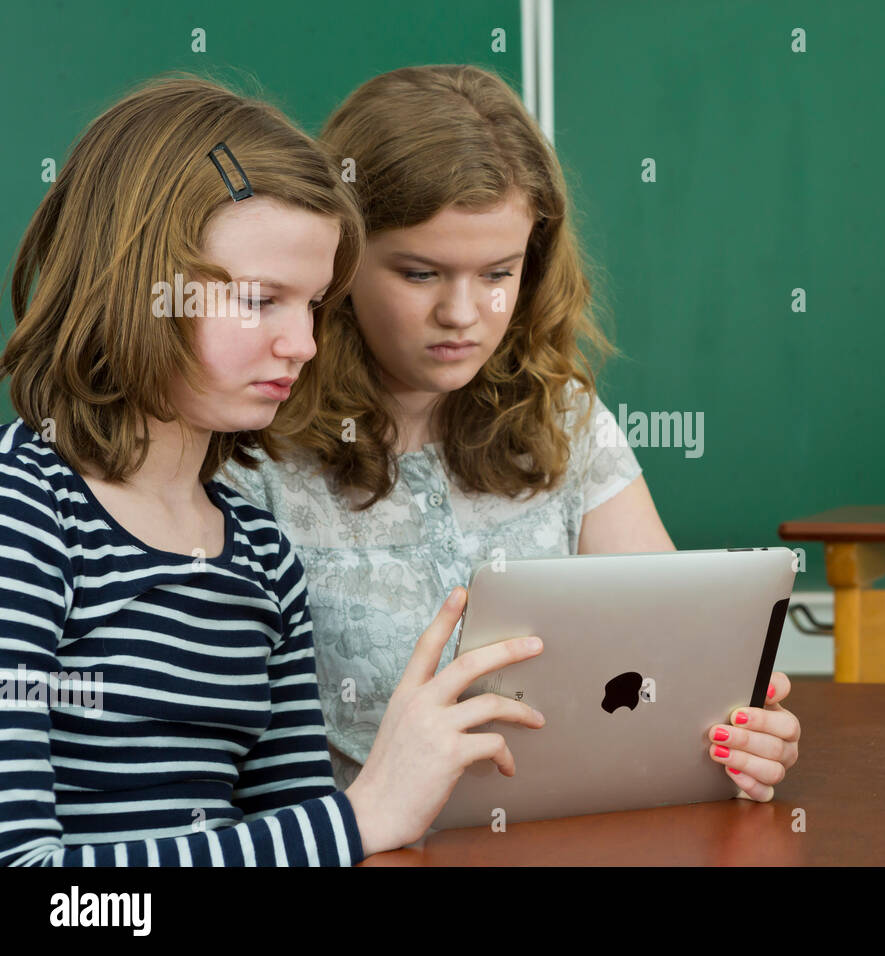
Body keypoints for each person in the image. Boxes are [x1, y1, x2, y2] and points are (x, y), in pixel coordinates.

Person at [220, 65, 801, 813]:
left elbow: (677, 659)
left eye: (498, 271)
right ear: (338, 259)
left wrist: (742, 733)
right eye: (421, 272)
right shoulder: (257, 444)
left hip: (566, 834)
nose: (463, 313)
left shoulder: (565, 421)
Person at [0, 74, 544, 866]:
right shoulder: (25, 516)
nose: (304, 345)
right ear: (133, 288)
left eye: (314, 305)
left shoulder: (260, 556)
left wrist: (372, 810)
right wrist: (358, 818)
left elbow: (299, 843)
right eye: (258, 300)